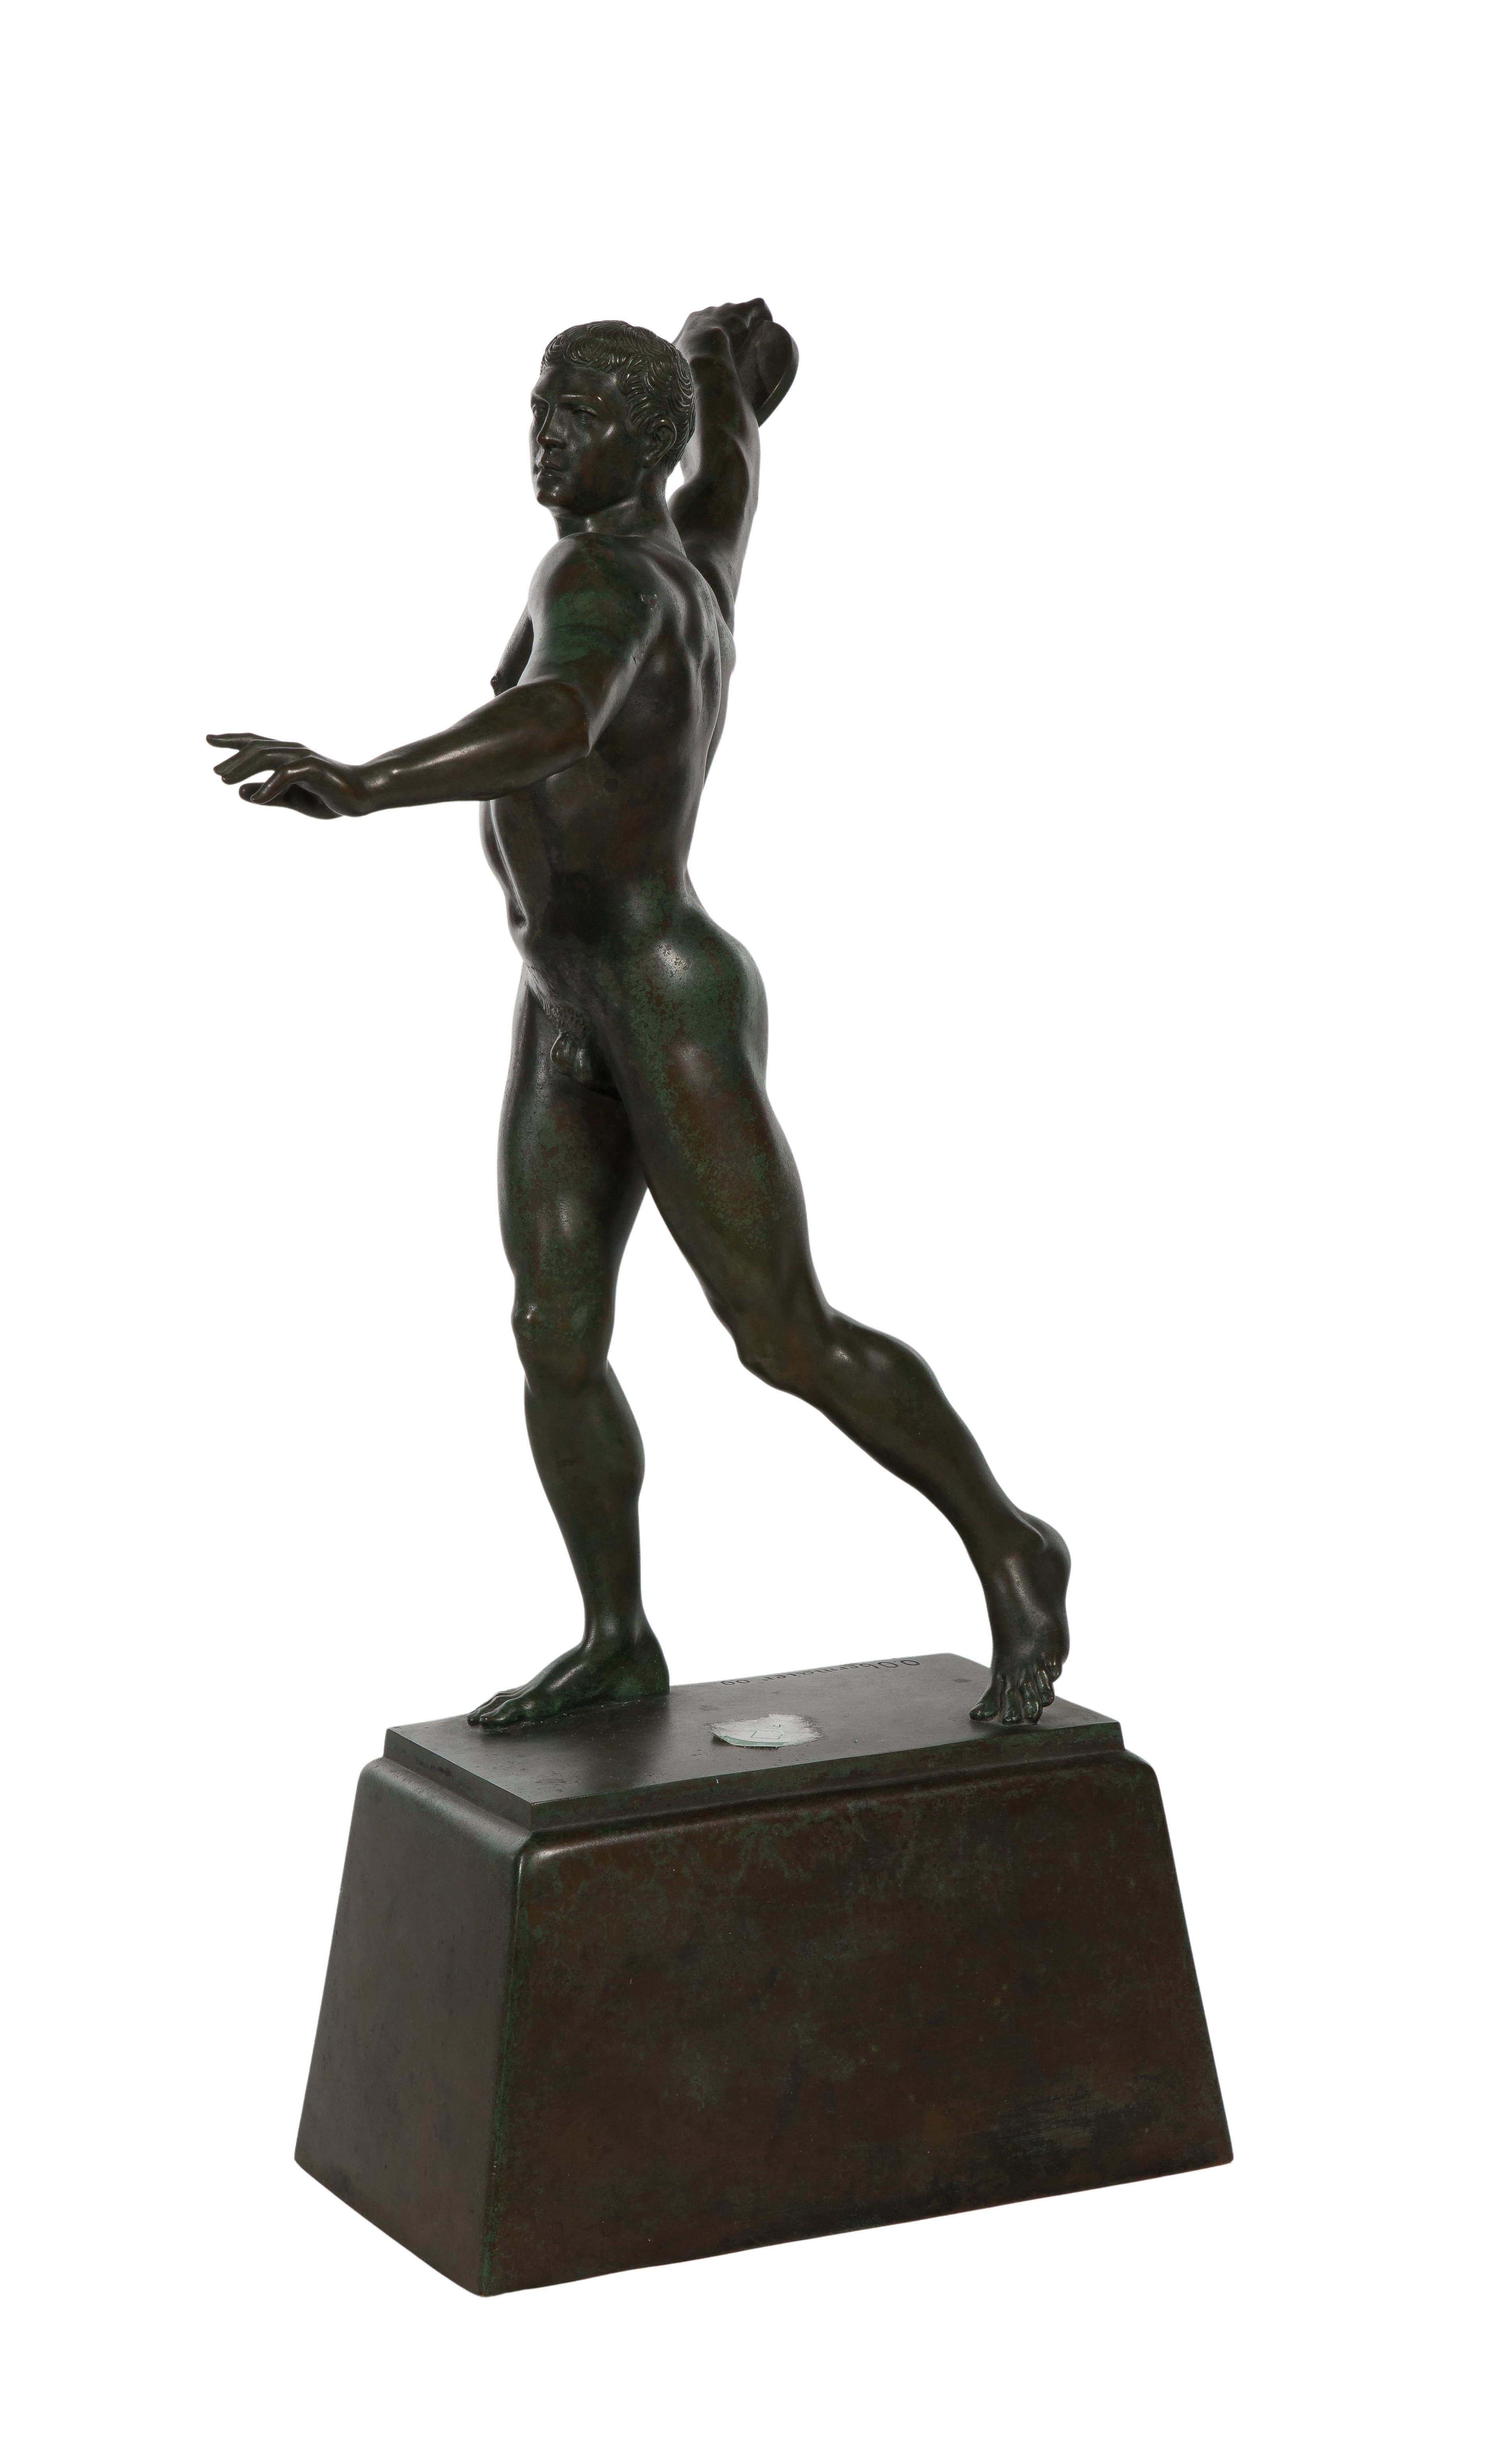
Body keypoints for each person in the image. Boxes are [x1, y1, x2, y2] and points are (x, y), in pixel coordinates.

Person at [209, 301, 1069, 1728]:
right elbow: (732, 468)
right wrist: (722, 366)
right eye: (538, 410)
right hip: (565, 1002)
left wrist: (365, 782)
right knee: (555, 1331)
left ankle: (1015, 1543)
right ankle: (618, 1638)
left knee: (782, 1335)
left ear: (641, 444)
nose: (545, 439)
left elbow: (558, 719)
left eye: (578, 418)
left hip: (665, 998)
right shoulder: (694, 546)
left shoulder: (601, 580)